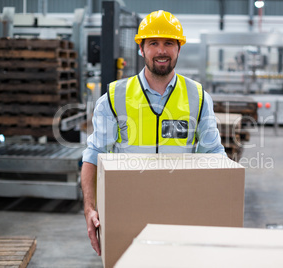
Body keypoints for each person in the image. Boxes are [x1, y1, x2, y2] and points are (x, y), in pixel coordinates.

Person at [81, 10, 225, 256]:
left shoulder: (198, 97)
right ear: (141, 48)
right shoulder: (115, 98)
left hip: (181, 212)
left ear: (179, 48)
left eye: (169, 43)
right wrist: (90, 209)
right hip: (125, 213)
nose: (161, 51)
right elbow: (94, 153)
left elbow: (213, 154)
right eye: (153, 43)